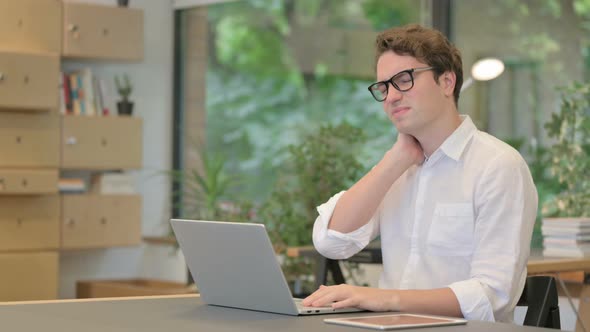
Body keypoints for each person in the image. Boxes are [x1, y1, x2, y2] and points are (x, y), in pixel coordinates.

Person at [301, 24, 537, 322]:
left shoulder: (499, 166)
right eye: (384, 87)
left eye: (403, 80)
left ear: (447, 82)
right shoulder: (397, 167)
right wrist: (393, 163)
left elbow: (492, 296)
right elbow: (332, 242)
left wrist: (384, 299)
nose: (390, 97)